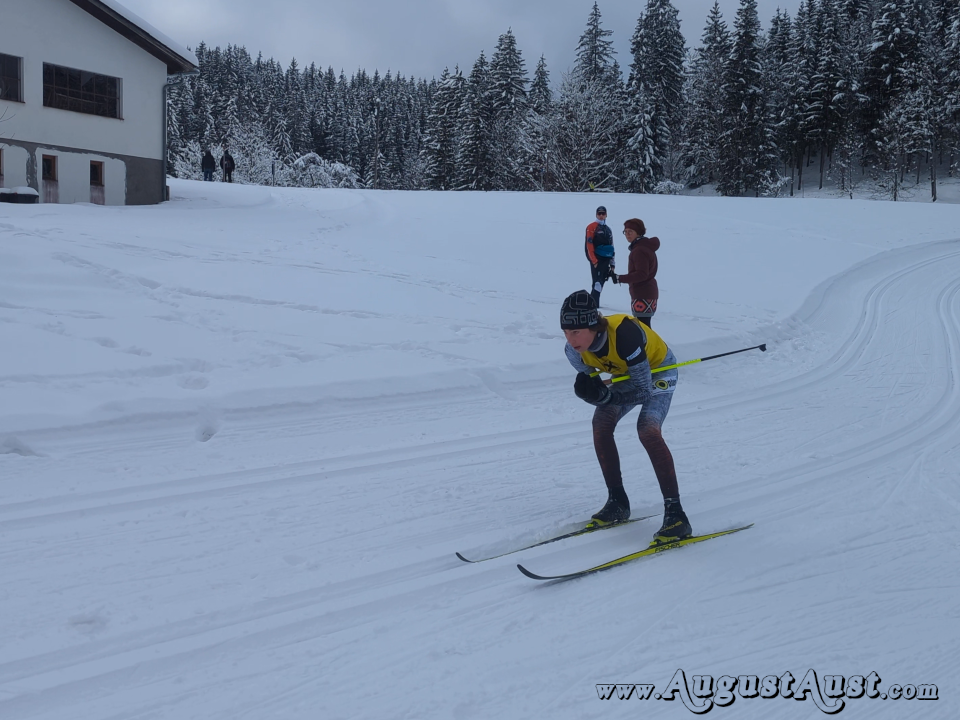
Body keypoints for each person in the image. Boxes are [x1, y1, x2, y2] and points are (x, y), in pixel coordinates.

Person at [560, 289, 691, 544]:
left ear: (592, 326)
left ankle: (677, 515)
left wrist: (607, 398)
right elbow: (600, 387)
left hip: (659, 371)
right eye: (565, 331)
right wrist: (593, 394)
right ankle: (617, 502)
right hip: (631, 374)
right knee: (601, 422)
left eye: (575, 331)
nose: (570, 338)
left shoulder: (625, 335)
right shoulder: (573, 351)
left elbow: (642, 392)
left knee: (647, 430)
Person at [612, 218, 659, 327]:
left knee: (643, 329)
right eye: (625, 232)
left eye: (630, 232)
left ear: (638, 232)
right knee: (644, 327)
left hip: (643, 293)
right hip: (647, 293)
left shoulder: (639, 250)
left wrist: (619, 278)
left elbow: (642, 274)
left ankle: (651, 345)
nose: (627, 235)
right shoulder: (644, 247)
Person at [584, 206, 616, 306]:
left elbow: (612, 245)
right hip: (597, 259)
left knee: (602, 280)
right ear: (596, 214)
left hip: (606, 259)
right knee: (597, 282)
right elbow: (589, 245)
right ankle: (594, 305)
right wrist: (593, 260)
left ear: (606, 215)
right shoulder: (591, 227)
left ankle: (592, 303)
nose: (601, 216)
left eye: (603, 213)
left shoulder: (608, 229)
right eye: (599, 214)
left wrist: (612, 263)